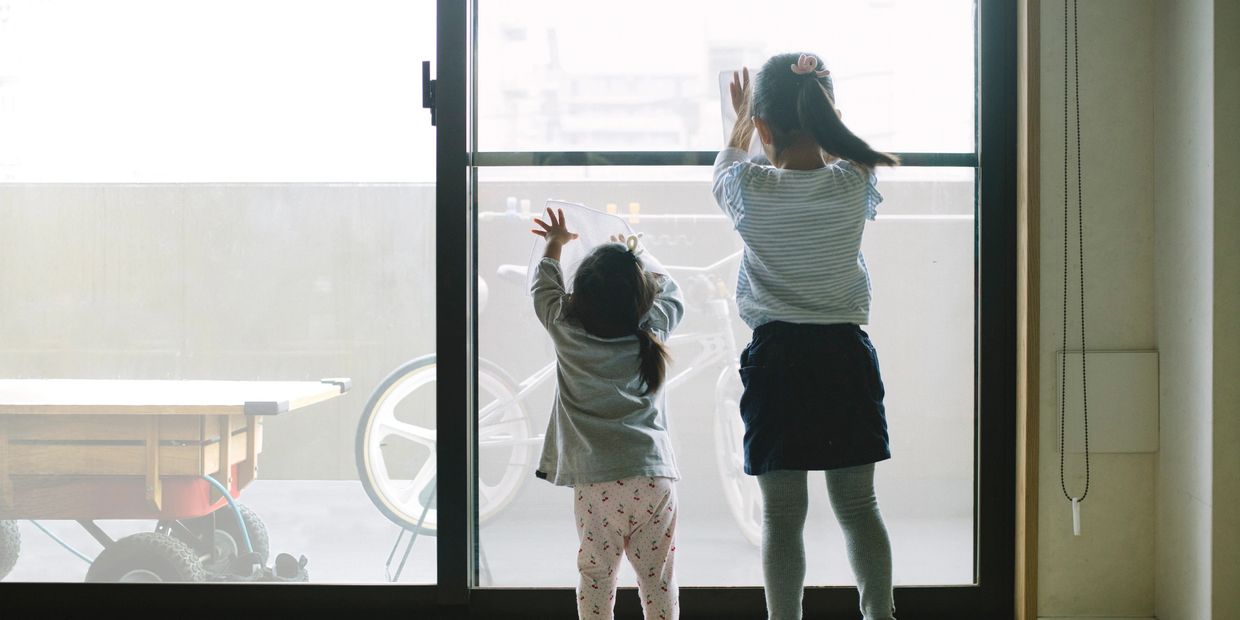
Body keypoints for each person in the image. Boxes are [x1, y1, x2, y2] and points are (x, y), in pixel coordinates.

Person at [712, 53, 900, 620]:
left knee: (782, 515)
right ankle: (879, 615)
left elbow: (725, 165)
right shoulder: (852, 182)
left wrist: (740, 123)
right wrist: (821, 116)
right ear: (828, 118)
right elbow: (842, 152)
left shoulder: (747, 190)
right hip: (843, 356)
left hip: (777, 364)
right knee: (859, 506)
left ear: (763, 130)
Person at [530, 207, 685, 620]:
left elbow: (543, 291)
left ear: (577, 297)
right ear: (641, 300)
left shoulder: (567, 332)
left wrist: (555, 244)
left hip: (597, 484)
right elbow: (673, 294)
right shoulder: (650, 332)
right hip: (654, 478)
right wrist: (639, 255)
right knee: (658, 578)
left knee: (597, 574)